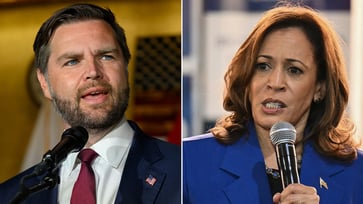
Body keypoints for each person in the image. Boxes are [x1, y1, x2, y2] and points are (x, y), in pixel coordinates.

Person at [0, 3, 181, 204]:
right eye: (72, 61)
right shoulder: (10, 196)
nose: (93, 71)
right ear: (44, 83)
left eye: (106, 56)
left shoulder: (188, 172)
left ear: (126, 68)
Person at [183, 4, 363, 204]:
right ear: (247, 78)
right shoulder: (188, 162)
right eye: (263, 66)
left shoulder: (357, 174)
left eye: (294, 70)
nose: (275, 83)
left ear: (320, 88)